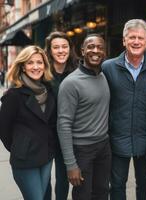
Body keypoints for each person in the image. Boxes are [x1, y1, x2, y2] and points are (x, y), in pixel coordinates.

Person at [102, 19, 146, 200]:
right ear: (124, 41)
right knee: (117, 185)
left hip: (145, 139)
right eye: (131, 37)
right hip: (117, 138)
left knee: (144, 184)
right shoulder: (108, 67)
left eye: (140, 38)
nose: (136, 41)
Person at [57, 34, 111, 200]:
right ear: (82, 51)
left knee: (102, 193)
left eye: (100, 47)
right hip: (82, 150)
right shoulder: (70, 83)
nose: (95, 51)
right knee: (83, 196)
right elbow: (63, 124)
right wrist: (70, 164)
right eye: (90, 47)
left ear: (104, 52)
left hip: (103, 147)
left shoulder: (102, 76)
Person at [0, 45, 57, 200]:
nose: (36, 67)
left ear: (45, 65)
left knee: (45, 196)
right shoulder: (13, 95)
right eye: (30, 63)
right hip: (25, 160)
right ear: (23, 66)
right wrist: (20, 147)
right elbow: (3, 129)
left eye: (39, 62)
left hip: (46, 157)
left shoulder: (49, 91)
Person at [44, 31, 77, 200]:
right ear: (49, 51)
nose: (61, 50)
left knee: (63, 178)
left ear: (70, 49)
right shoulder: (42, 73)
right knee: (44, 178)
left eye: (64, 46)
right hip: (46, 134)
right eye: (56, 47)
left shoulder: (77, 71)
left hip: (67, 135)